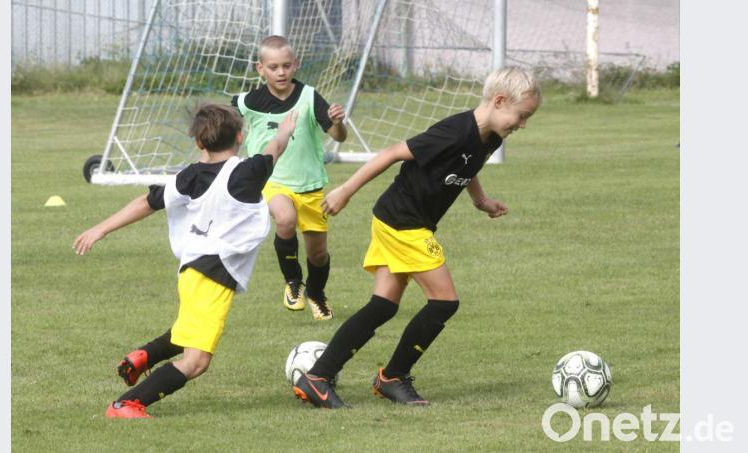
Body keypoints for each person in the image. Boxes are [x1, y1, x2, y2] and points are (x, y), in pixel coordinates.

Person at [292, 67, 542, 408]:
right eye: (522, 115)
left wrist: (480, 200)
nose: (522, 124)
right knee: (444, 301)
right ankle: (393, 376)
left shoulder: (491, 137)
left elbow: (468, 166)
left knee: (382, 306)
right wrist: (345, 190)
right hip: (403, 222)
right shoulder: (454, 132)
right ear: (499, 101)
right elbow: (392, 153)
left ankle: (318, 377)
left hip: (399, 218)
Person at [73, 104, 297, 418]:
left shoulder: (189, 176)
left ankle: (142, 357)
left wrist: (101, 229)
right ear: (241, 136)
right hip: (214, 274)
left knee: (187, 331)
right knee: (196, 362)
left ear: (199, 143)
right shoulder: (249, 171)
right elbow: (276, 147)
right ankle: (126, 404)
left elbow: (146, 202)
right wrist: (285, 130)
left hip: (193, 270)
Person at [232, 35, 347, 321]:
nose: (281, 72)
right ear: (260, 69)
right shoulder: (248, 102)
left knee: (318, 254)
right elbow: (223, 127)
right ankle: (293, 281)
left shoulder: (309, 96)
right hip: (272, 181)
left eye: (286, 65)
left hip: (310, 185)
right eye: (273, 67)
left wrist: (337, 123)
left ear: (296, 64)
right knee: (284, 219)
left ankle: (316, 294)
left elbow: (339, 137)